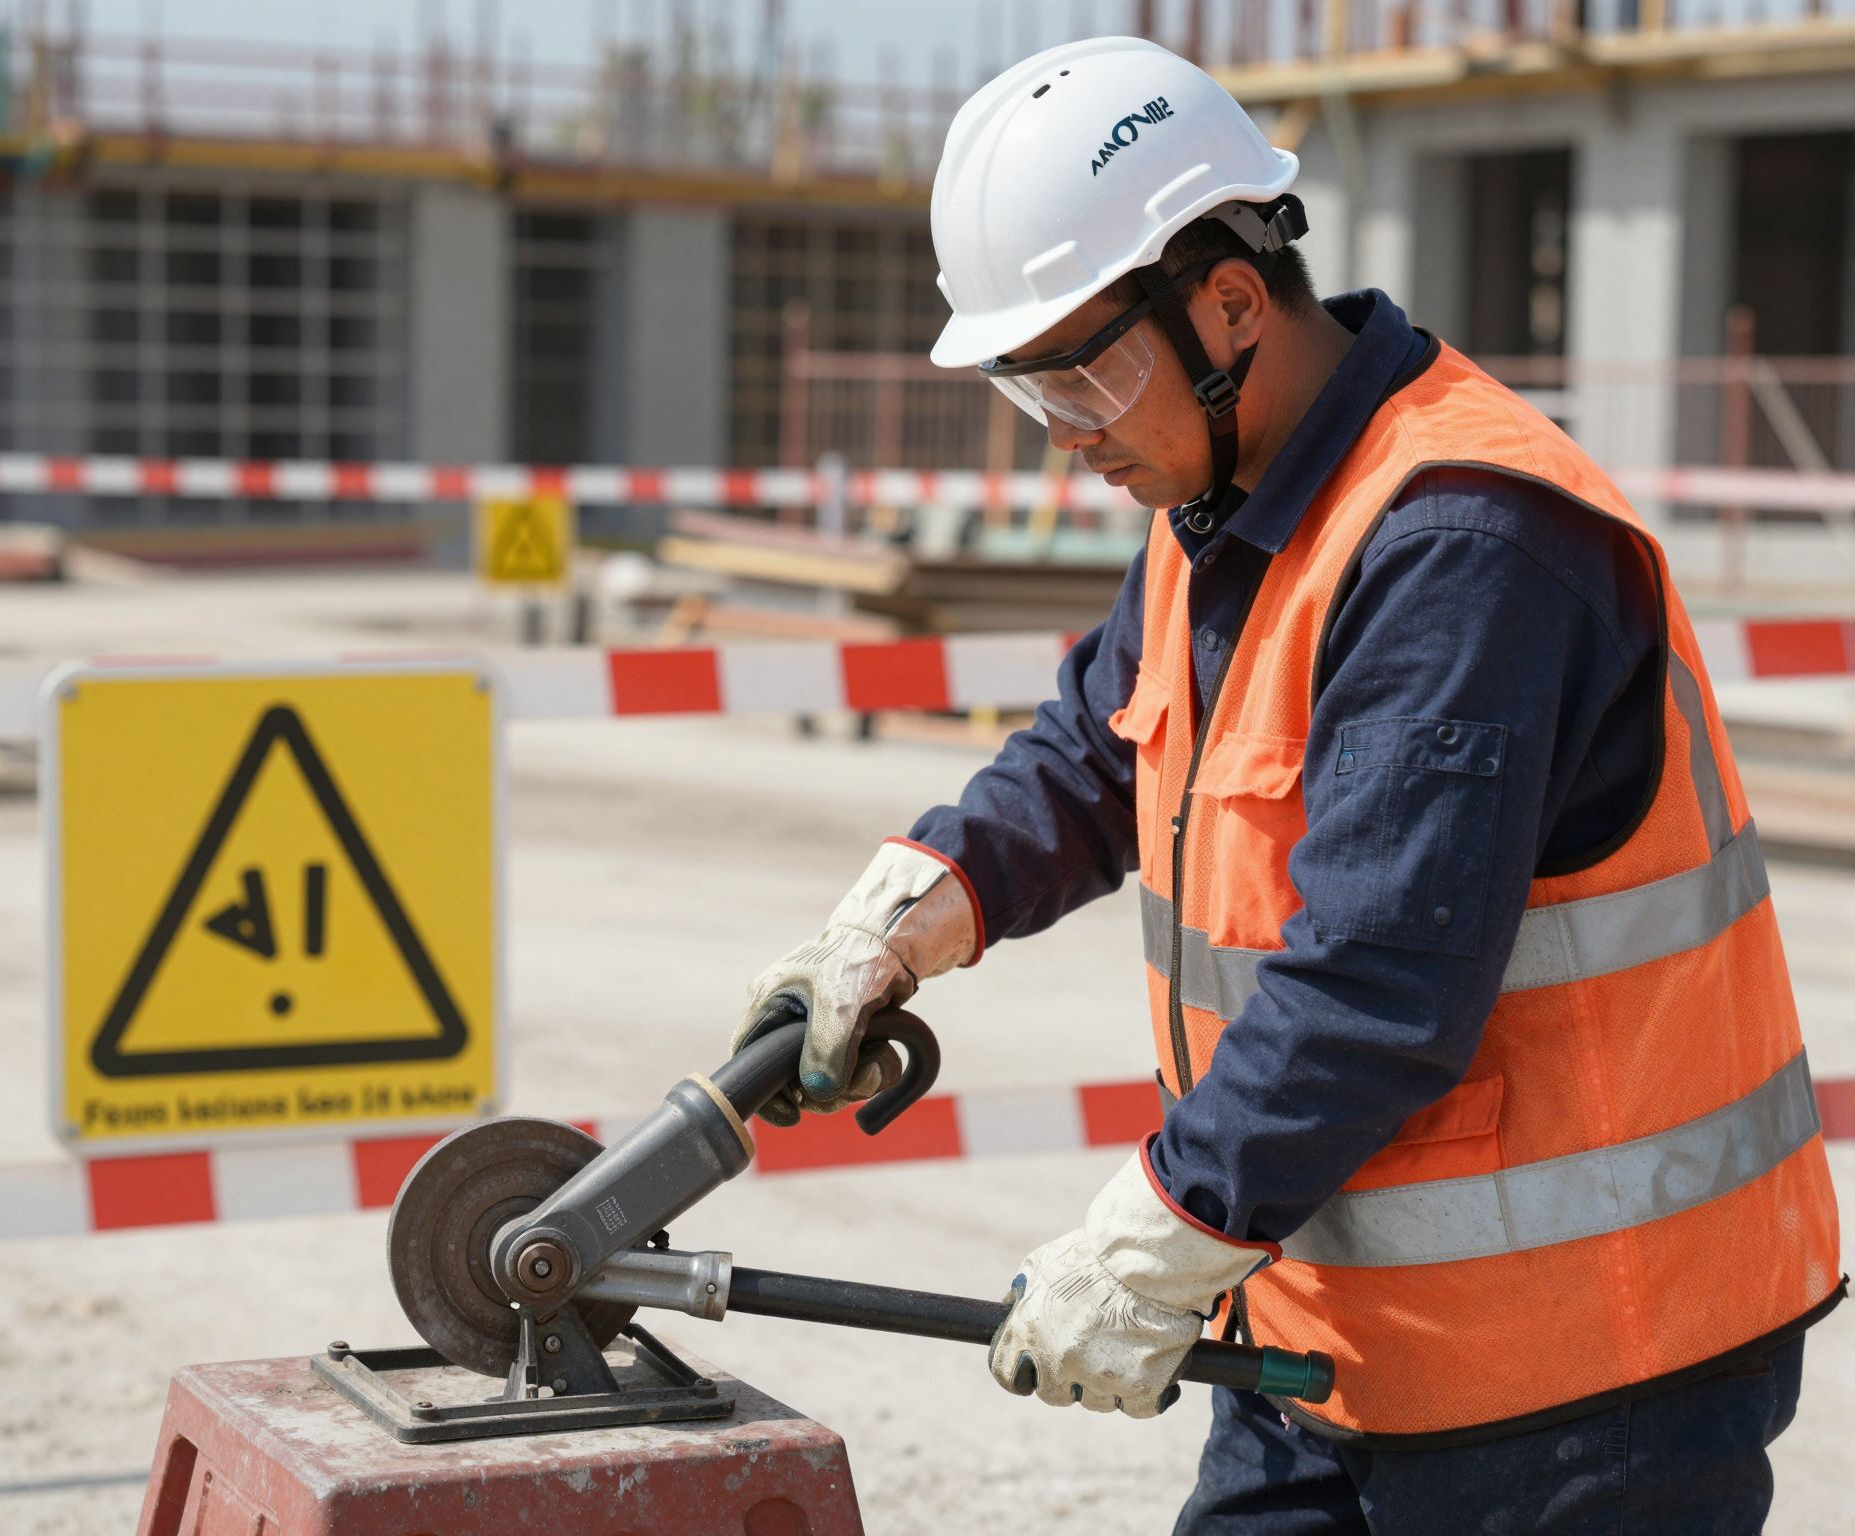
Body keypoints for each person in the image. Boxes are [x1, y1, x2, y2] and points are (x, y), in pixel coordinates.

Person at [728, 36, 1843, 1535]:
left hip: (1587, 1383)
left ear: (1234, 305)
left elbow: (1378, 979)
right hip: (1335, 1335)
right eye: (1030, 394)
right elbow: (1094, 751)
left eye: (1087, 376)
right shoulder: (1221, 497)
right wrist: (912, 913)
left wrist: (1151, 1240)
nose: (1072, 440)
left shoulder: (1462, 540)